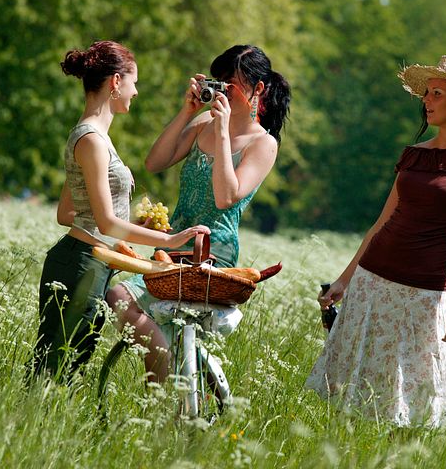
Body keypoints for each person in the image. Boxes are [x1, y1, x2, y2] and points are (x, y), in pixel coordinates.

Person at [305, 54, 446, 428]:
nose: (427, 101)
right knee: (353, 398)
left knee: (414, 409)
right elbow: (380, 224)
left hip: (425, 293)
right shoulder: (414, 155)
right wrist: (344, 280)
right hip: (372, 283)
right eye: (426, 94)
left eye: (437, 93)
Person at [106, 45, 291, 382]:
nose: (223, 91)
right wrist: (186, 112)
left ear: (258, 89)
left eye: (232, 84)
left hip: (211, 253)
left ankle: (163, 389)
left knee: (125, 299)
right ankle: (165, 383)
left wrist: (222, 132)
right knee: (121, 299)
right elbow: (155, 162)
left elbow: (226, 197)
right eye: (218, 82)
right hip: (171, 244)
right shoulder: (204, 121)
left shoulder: (263, 143)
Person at [32, 41, 208, 381]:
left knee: (63, 368)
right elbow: (104, 222)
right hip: (81, 264)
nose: (136, 91)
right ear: (116, 82)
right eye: (133, 81)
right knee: (57, 372)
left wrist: (129, 224)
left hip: (85, 261)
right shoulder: (92, 141)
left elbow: (69, 212)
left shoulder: (90, 136)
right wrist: (170, 240)